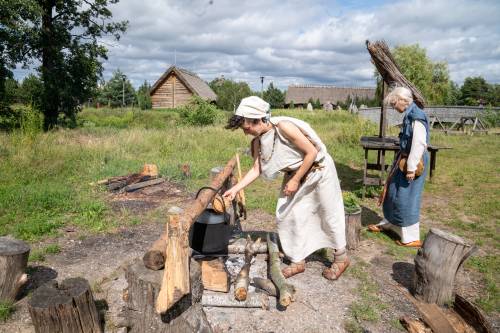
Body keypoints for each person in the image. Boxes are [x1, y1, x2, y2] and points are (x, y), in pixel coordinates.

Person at [223, 96, 349, 280]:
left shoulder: (284, 127)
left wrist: (296, 179)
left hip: (318, 171)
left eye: (247, 127)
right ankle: (297, 260)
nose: (246, 132)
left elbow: (311, 152)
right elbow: (257, 169)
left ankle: (341, 258)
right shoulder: (258, 141)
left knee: (328, 213)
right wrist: (235, 189)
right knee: (289, 216)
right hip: (295, 176)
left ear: (258, 118)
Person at [368, 87, 430, 247]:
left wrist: (411, 167)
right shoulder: (410, 114)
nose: (394, 106)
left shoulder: (417, 115)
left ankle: (411, 238)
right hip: (404, 159)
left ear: (404, 100)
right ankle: (389, 223)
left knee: (406, 197)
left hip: (413, 162)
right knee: (393, 193)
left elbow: (418, 143)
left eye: (394, 103)